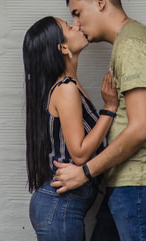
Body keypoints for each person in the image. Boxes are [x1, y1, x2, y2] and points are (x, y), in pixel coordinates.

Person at [52, 0, 146, 241]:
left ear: (100, 2)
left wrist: (84, 173)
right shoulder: (128, 43)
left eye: (78, 13)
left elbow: (140, 129)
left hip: (140, 182)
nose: (77, 24)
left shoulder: (132, 44)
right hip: (127, 183)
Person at [23, 15, 120, 241]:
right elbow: (79, 153)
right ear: (63, 47)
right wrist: (110, 108)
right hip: (59, 206)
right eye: (69, 26)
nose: (77, 24)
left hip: (61, 207)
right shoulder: (65, 88)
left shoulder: (70, 84)